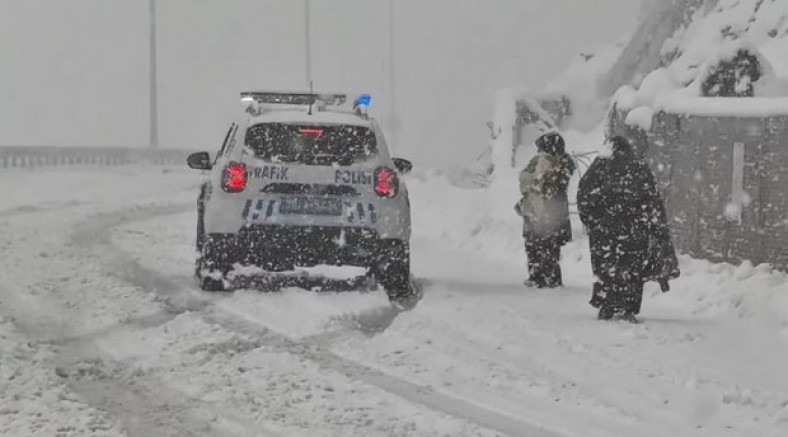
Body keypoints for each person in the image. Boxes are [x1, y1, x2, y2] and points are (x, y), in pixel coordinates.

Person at [577, 136, 680, 323]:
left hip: (604, 232)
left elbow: (584, 194)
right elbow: (653, 201)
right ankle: (627, 307)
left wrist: (593, 221)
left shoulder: (599, 167)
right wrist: (655, 228)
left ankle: (606, 305)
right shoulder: (638, 168)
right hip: (634, 231)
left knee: (606, 267)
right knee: (631, 269)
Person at [515, 131, 576, 288]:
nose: (538, 152)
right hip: (548, 211)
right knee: (542, 246)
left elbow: (535, 185)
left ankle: (545, 277)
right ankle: (542, 276)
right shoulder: (558, 164)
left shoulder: (553, 164)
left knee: (543, 246)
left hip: (545, 211)